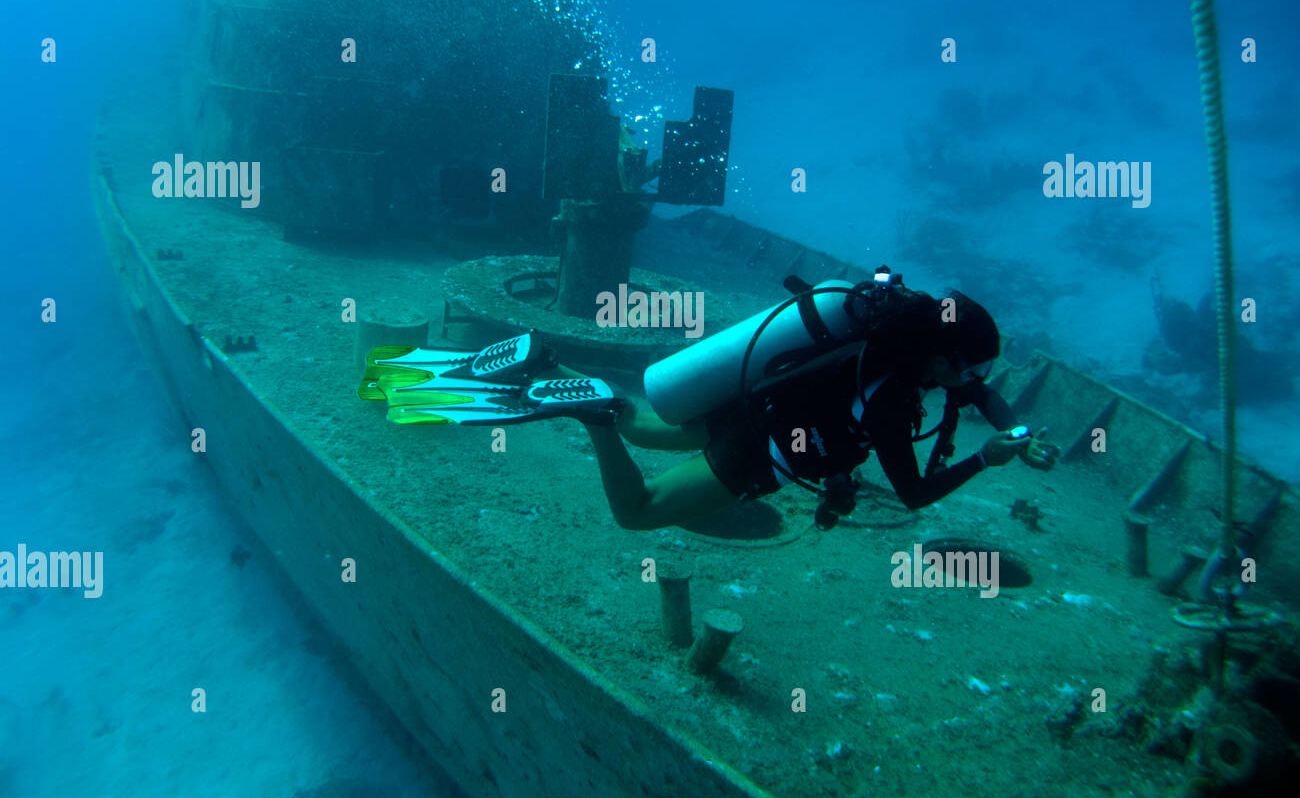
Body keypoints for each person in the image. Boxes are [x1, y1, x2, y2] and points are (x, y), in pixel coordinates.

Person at [358, 271, 1059, 530]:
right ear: (941, 355)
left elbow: (976, 389)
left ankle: (553, 365)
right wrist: (989, 459)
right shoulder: (893, 389)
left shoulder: (890, 338)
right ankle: (591, 415)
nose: (964, 380)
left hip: (752, 402)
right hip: (757, 452)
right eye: (962, 366)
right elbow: (914, 492)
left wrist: (1014, 423)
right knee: (638, 513)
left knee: (645, 424)